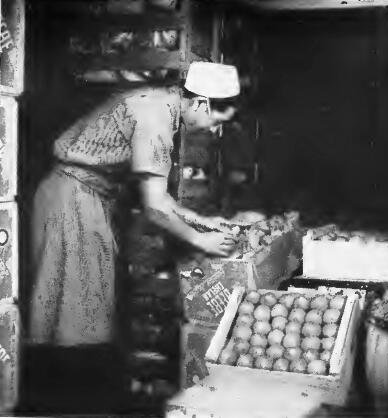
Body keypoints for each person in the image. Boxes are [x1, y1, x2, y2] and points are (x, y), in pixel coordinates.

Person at [22, 62, 241, 414]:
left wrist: (200, 219)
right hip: (71, 198)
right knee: (75, 305)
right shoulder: (155, 116)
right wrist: (202, 242)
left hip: (85, 197)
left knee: (85, 303)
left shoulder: (164, 104)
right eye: (217, 121)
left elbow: (158, 199)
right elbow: (155, 207)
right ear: (200, 103)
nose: (214, 131)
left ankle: (75, 391)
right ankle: (68, 399)